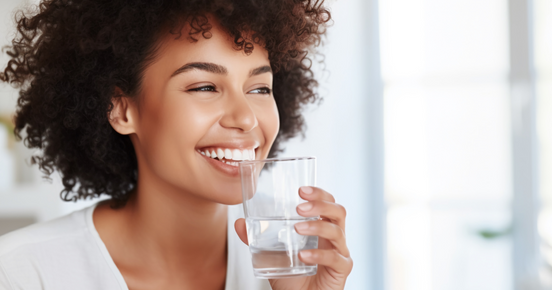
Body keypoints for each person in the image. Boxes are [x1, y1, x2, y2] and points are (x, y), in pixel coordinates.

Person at [0, 0, 353, 289]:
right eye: (204, 87)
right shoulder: (23, 274)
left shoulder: (290, 268)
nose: (246, 118)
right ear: (122, 110)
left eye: (259, 88)